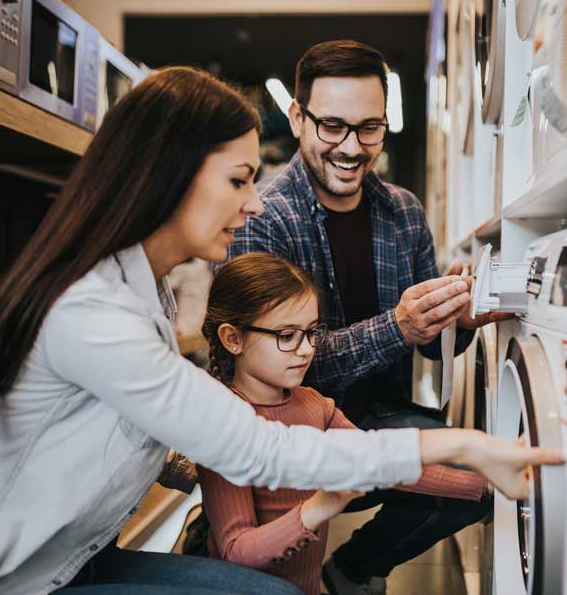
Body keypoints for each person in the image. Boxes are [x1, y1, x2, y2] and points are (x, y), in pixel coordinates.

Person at [0, 67, 562, 595]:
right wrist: (471, 446)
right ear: (169, 175)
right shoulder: (94, 312)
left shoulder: (143, 286)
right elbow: (262, 448)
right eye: (239, 180)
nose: (252, 202)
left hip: (72, 557)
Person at [226, 41, 511, 593]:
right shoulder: (263, 219)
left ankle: (352, 571)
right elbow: (274, 371)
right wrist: (398, 325)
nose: (352, 148)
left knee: (479, 480)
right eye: (332, 126)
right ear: (297, 118)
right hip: (291, 435)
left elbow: (428, 348)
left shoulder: (402, 210)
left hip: (377, 418)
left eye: (369, 129)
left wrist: (457, 317)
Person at [195, 252, 515, 595]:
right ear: (233, 339)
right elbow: (237, 552)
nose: (305, 350)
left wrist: (485, 485)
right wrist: (317, 509)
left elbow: (390, 464)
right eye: (287, 336)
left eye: (312, 332)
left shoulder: (315, 405)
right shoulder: (221, 423)